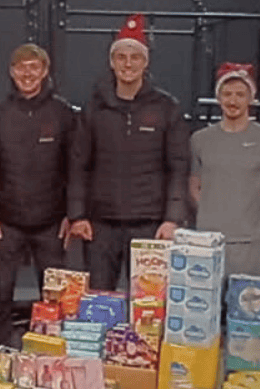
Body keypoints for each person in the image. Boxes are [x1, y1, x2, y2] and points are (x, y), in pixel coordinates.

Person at [69, 14, 190, 291]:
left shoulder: (166, 108)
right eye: (121, 57)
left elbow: (178, 166)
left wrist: (172, 218)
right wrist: (78, 215)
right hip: (101, 226)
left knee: (147, 303)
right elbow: (78, 165)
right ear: (112, 62)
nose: (127, 64)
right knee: (100, 297)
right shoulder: (94, 109)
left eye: (135, 57)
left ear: (145, 62)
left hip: (149, 225)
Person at [0, 43, 78, 346]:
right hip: (7, 223)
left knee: (56, 300)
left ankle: (52, 357)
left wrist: (72, 214)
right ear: (12, 72)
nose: (28, 73)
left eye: (35, 67)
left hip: (52, 223)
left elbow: (76, 167)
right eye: (21, 67)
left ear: (45, 72)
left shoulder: (64, 114)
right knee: (0, 298)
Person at [190, 63, 260, 277]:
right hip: (207, 240)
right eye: (227, 94)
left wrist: (251, 221)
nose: (233, 101)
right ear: (218, 98)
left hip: (251, 243)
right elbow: (193, 187)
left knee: (247, 307)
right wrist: (212, 214)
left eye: (240, 94)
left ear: (251, 98)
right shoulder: (199, 140)